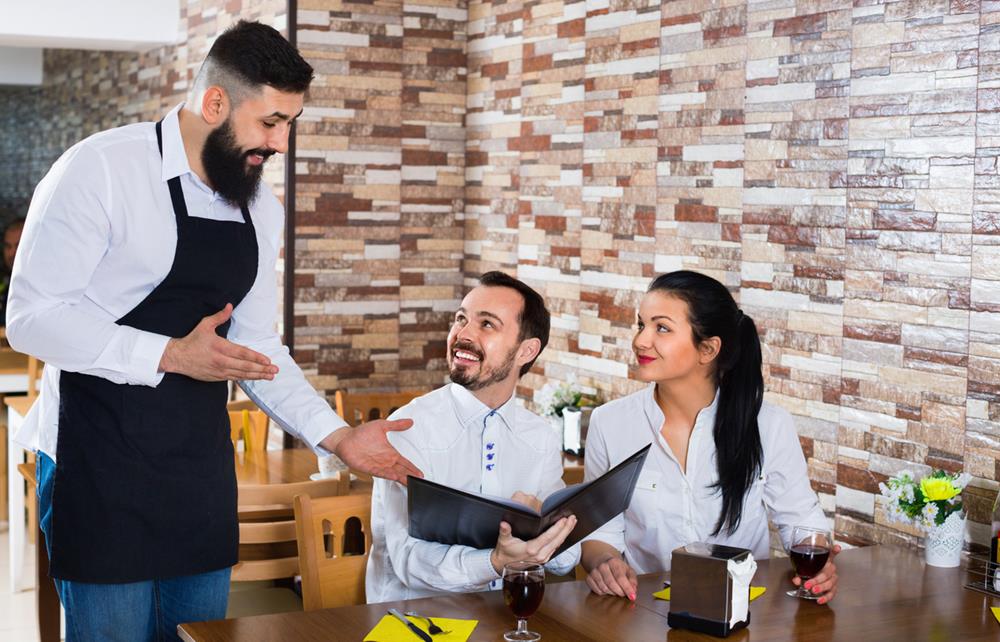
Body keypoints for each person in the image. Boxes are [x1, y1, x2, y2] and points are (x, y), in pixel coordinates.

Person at [7, 21, 420, 641]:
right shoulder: (100, 171)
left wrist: (336, 437)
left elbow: (257, 351)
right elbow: (32, 320)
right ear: (215, 102)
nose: (280, 143)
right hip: (97, 464)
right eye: (270, 122)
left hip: (197, 472)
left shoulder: (259, 207)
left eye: (289, 124)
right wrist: (171, 354)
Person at [581, 270, 840, 604]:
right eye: (641, 324)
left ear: (708, 349)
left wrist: (821, 567)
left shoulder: (769, 425)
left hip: (745, 615)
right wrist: (604, 563)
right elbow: (599, 535)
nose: (641, 341)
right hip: (644, 616)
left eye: (661, 328)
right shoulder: (610, 423)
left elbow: (801, 521)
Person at [365, 271, 579, 602]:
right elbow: (407, 559)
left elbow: (566, 562)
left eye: (487, 324)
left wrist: (548, 528)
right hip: (415, 623)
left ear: (526, 351)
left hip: (507, 619)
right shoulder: (408, 427)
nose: (462, 334)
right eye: (461, 319)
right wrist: (493, 563)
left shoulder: (540, 437)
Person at [0, 215, 24, 324]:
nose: (11, 253)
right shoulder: (3, 281)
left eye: (18, 246)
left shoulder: (45, 284)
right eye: (8, 246)